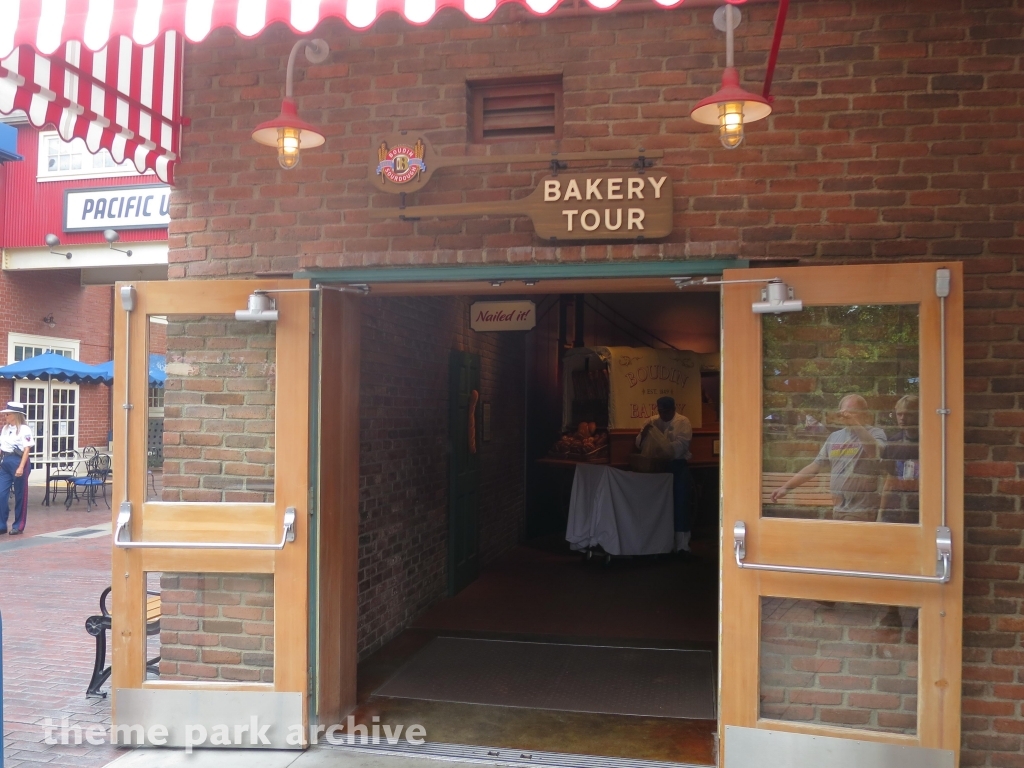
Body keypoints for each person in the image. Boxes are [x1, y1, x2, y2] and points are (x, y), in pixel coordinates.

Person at [770, 394, 886, 522]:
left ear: (864, 414)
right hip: (838, 508)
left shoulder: (875, 433)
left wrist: (855, 424)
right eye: (844, 412)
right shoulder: (834, 437)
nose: (847, 416)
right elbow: (815, 466)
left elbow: (874, 452)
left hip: (862, 510)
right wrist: (786, 487)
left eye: (852, 412)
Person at [636, 396, 694, 552]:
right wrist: (644, 434)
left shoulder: (683, 422)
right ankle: (660, 543)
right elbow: (639, 443)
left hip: (677, 466)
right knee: (659, 506)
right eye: (661, 411)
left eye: (666, 412)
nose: (663, 415)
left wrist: (662, 449)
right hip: (656, 469)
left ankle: (682, 546)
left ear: (673, 409)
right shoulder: (652, 421)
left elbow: (681, 445)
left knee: (680, 504)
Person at [880, 395, 920, 524]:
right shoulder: (893, 442)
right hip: (895, 509)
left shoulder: (930, 442)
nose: (902, 418)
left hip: (920, 509)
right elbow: (889, 480)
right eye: (899, 414)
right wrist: (881, 513)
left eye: (908, 414)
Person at [0, 401, 34, 535]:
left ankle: (18, 525)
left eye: (8, 414)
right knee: (1, 493)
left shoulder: (24, 429)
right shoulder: (5, 428)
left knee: (20, 495)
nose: (5, 416)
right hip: (5, 461)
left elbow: (27, 449)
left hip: (19, 461)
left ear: (15, 415)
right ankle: (2, 524)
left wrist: (21, 467)